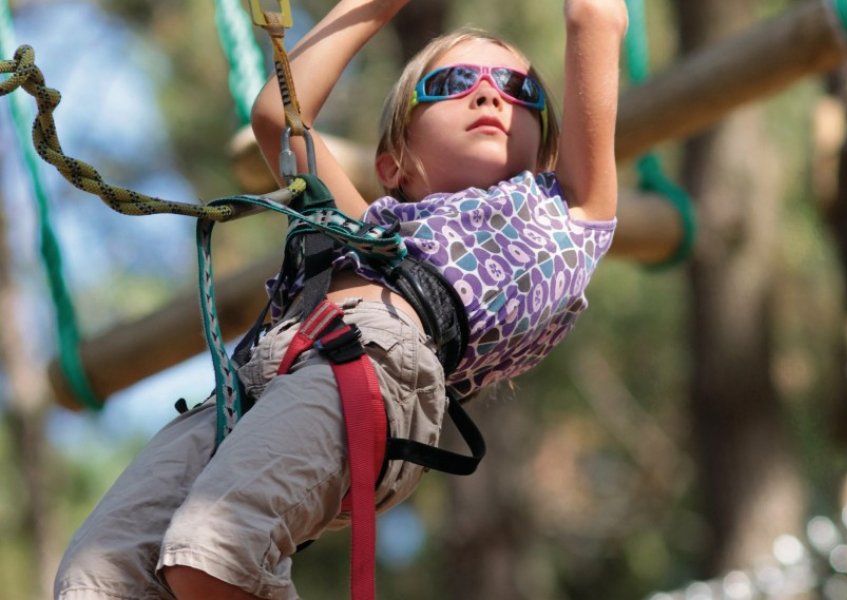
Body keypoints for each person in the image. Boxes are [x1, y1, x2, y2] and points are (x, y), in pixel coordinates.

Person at [54, 0, 627, 598]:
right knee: (97, 576)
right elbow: (279, 116)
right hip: (255, 381)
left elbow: (595, 14)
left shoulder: (568, 217)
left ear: (546, 154)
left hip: (377, 365)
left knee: (214, 553)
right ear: (394, 163)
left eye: (517, 89)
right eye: (454, 84)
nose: (489, 97)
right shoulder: (371, 228)